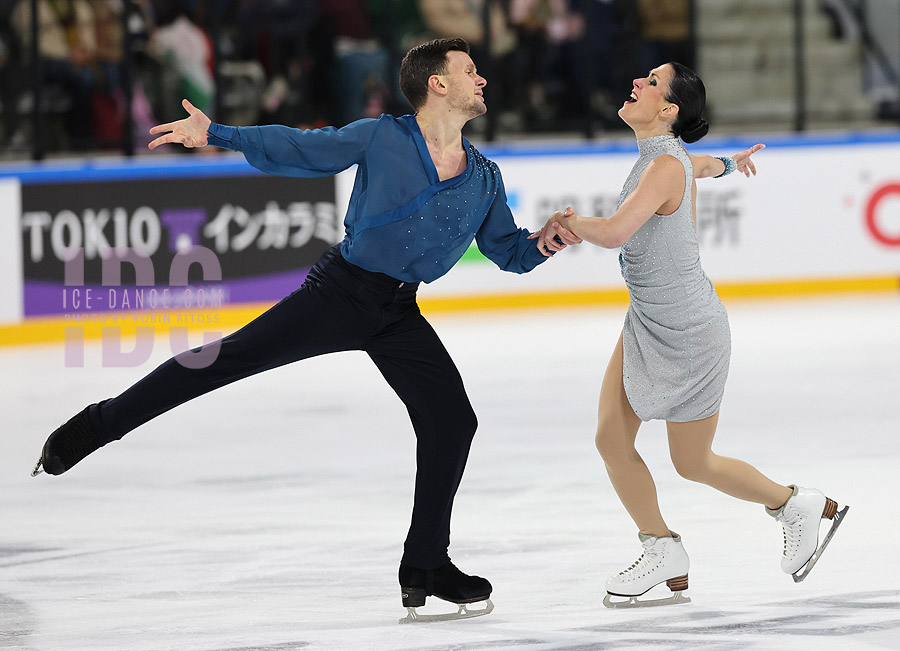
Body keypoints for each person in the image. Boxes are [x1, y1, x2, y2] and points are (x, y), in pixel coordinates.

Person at [31, 37, 581, 623]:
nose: (484, 81)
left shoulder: (484, 178)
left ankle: (424, 562)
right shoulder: (383, 136)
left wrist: (546, 241)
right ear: (437, 84)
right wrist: (220, 133)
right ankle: (95, 426)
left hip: (398, 313)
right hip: (339, 293)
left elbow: (510, 253)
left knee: (453, 419)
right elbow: (302, 148)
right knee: (218, 361)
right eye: (470, 71)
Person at [536, 62, 848, 608]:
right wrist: (732, 163)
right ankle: (661, 547)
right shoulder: (668, 158)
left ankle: (793, 503)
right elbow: (700, 164)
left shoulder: (662, 166)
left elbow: (613, 233)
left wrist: (567, 222)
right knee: (611, 439)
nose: (637, 82)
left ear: (668, 109)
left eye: (651, 83)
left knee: (693, 462)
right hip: (649, 321)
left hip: (689, 331)